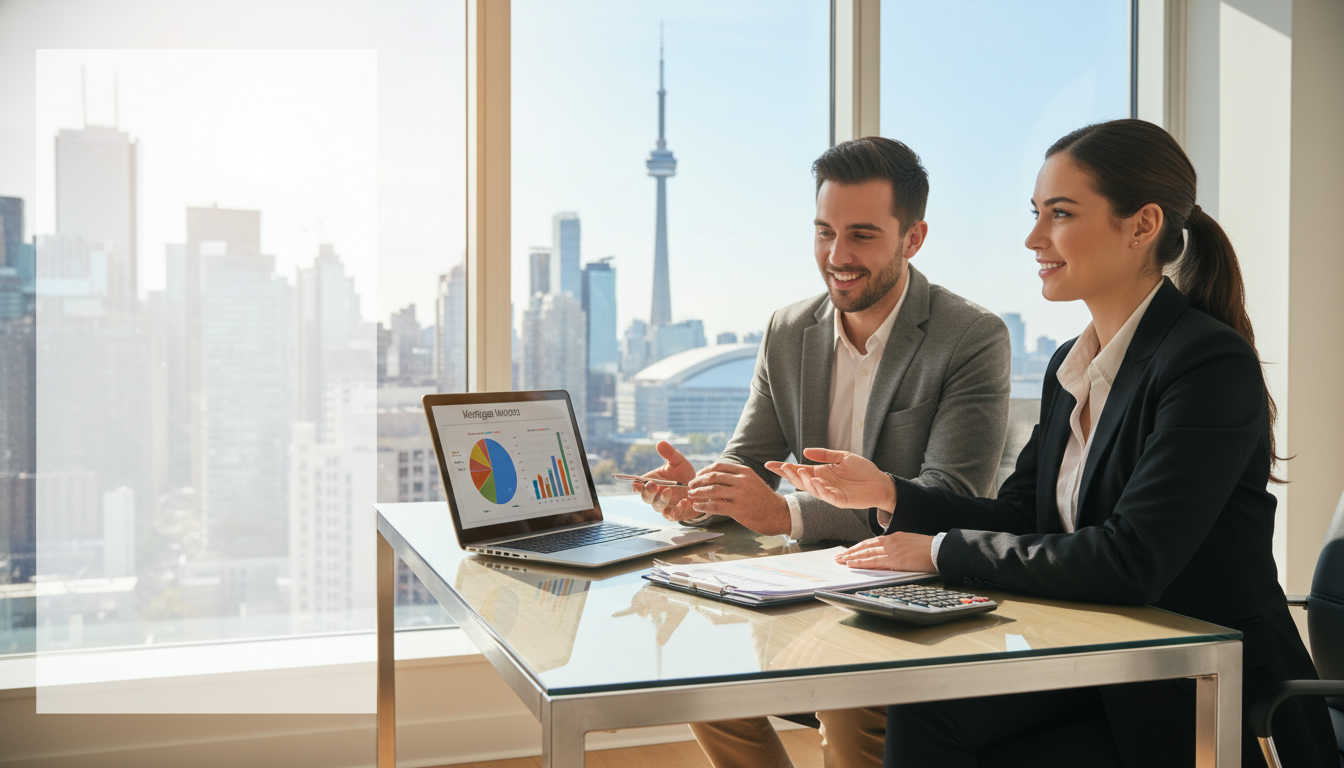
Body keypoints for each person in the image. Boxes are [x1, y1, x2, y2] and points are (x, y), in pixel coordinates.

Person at [768, 119, 1337, 768]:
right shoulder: (1072, 365)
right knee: (927, 706)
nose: (1034, 238)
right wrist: (889, 493)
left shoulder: (1208, 364)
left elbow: (1132, 559)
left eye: (1060, 214)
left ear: (1142, 226)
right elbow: (1021, 516)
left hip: (1196, 689)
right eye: (1035, 213)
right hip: (1099, 659)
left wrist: (938, 551)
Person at [631, 136, 1013, 768]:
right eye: (824, 232)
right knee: (695, 663)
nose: (838, 256)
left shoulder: (969, 336)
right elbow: (747, 465)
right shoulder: (788, 330)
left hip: (911, 582)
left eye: (862, 235)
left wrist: (788, 516)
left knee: (853, 694)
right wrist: (700, 497)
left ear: (912, 239)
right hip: (805, 578)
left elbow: (952, 498)